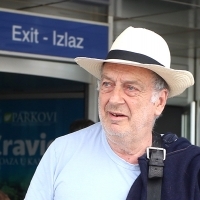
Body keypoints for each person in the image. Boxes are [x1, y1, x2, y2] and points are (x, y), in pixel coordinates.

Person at [24, 26, 200, 200]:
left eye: (130, 88)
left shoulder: (186, 167)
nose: (114, 99)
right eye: (107, 84)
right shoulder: (62, 152)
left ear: (160, 101)